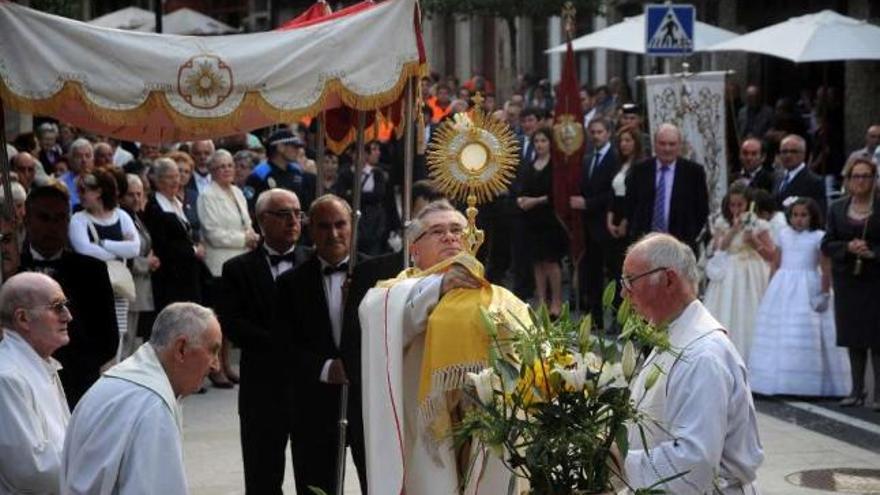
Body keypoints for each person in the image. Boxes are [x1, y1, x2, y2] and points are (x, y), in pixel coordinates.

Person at [360, 200, 530, 495]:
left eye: (457, 230)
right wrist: (439, 286)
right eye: (437, 231)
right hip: (425, 428)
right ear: (414, 248)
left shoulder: (499, 295)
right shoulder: (392, 293)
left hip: (487, 426)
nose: (450, 237)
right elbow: (385, 321)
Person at [621, 233, 763, 493]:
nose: (623, 293)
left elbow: (694, 462)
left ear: (668, 280)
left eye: (630, 281)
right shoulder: (675, 333)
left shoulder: (703, 355)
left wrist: (615, 463)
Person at [61, 302, 221, 494]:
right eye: (212, 351)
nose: (216, 366)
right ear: (181, 349)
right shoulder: (153, 406)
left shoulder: (118, 381)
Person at [216, 189, 311, 494]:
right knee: (262, 474)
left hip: (309, 386)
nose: (293, 221)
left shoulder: (314, 262)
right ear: (261, 221)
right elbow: (233, 323)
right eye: (283, 214)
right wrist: (282, 343)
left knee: (314, 472)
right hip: (262, 387)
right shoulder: (237, 269)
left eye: (297, 213)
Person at [275, 195, 367, 494]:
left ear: (352, 226)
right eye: (324, 226)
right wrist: (326, 368)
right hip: (314, 404)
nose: (334, 234)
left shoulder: (378, 276)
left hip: (368, 401)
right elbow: (282, 344)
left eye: (340, 224)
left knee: (379, 482)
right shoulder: (290, 283)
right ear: (310, 229)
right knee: (316, 483)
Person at [19, 186, 118, 407]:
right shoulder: (11, 269)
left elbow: (108, 338)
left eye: (60, 218)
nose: (52, 226)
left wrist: (75, 369)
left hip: (77, 385)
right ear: (26, 221)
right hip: (18, 384)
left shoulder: (92, 270)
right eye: (44, 218)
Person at [750, 197, 850, 396]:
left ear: (812, 217)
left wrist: (824, 291)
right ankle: (777, 380)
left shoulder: (819, 236)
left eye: (804, 215)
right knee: (780, 331)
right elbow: (776, 262)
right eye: (795, 215)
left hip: (808, 286)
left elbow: (824, 266)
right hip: (783, 285)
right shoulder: (783, 234)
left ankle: (806, 382)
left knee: (805, 331)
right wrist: (770, 287)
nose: (799, 219)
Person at [0, 273, 72, 494]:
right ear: (23, 319)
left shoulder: (41, 363)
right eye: (57, 307)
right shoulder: (6, 377)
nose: (68, 316)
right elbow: (32, 472)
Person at [821, 157, 880, 410]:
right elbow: (826, 243)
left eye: (866, 176)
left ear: (874, 179)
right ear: (848, 179)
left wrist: (873, 252)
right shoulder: (837, 208)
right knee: (853, 336)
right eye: (856, 176)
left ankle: (878, 394)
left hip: (875, 279)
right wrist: (847, 247)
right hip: (848, 279)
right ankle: (856, 390)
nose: (861, 181)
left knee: (877, 337)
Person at [198, 149, 259, 388]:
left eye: (229, 165)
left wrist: (252, 236)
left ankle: (226, 363)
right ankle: (215, 367)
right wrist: (244, 239)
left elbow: (247, 223)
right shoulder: (207, 195)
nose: (226, 170)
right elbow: (213, 233)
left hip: (240, 261)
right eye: (221, 166)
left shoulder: (237, 192)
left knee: (232, 316)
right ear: (212, 171)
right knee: (218, 318)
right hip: (219, 263)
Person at [67, 170, 140, 362]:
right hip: (90, 288)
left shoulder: (122, 216)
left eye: (84, 190)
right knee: (96, 334)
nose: (80, 195)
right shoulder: (79, 219)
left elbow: (135, 248)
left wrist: (102, 244)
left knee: (119, 337)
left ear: (99, 192)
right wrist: (118, 250)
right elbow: (83, 249)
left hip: (117, 287)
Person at [703, 185, 774, 362]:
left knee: (752, 310)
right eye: (732, 205)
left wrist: (754, 240)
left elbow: (771, 253)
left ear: (749, 204)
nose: (736, 209)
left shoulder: (759, 224)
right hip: (730, 273)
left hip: (753, 272)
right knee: (728, 310)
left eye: (740, 205)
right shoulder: (722, 223)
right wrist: (734, 229)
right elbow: (720, 247)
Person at [625, 123, 709, 254]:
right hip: (645, 245)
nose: (667, 149)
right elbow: (630, 205)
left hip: (681, 246)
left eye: (672, 144)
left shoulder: (693, 172)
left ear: (680, 145)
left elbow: (702, 209)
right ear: (655, 144)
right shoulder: (640, 171)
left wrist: (689, 235)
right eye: (662, 143)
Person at [570, 118, 619, 326]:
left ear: (608, 133)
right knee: (592, 273)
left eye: (600, 132)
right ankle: (596, 316)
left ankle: (618, 317)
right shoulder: (588, 159)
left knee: (615, 273)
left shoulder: (615, 159)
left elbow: (612, 193)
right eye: (593, 132)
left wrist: (588, 203)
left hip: (608, 224)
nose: (596, 135)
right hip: (589, 227)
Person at [143, 158, 204, 311]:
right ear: (158, 180)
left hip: (187, 274)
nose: (176, 181)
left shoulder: (176, 202)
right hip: (169, 277)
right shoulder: (154, 207)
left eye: (176, 176)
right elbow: (162, 245)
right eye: (170, 177)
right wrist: (193, 250)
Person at [120, 173, 159, 355]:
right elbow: (122, 257)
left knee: (132, 340)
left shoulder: (136, 217)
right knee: (124, 340)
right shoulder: (121, 218)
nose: (136, 198)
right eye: (131, 194)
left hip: (140, 287)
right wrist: (146, 263)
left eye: (139, 194)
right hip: (126, 286)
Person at [245, 129, 316, 213]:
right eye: (294, 147)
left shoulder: (297, 171)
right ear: (280, 147)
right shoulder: (260, 174)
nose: (297, 151)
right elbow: (251, 206)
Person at [605, 126, 644, 261]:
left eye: (628, 140)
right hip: (616, 213)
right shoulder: (619, 164)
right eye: (621, 141)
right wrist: (609, 219)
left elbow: (638, 197)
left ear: (636, 142)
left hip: (630, 216)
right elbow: (612, 192)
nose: (624, 144)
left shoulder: (641, 166)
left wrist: (626, 221)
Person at [774, 134, 826, 212]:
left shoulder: (814, 181)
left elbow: (819, 213)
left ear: (803, 154)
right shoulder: (777, 177)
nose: (788, 155)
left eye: (793, 151)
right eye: (784, 152)